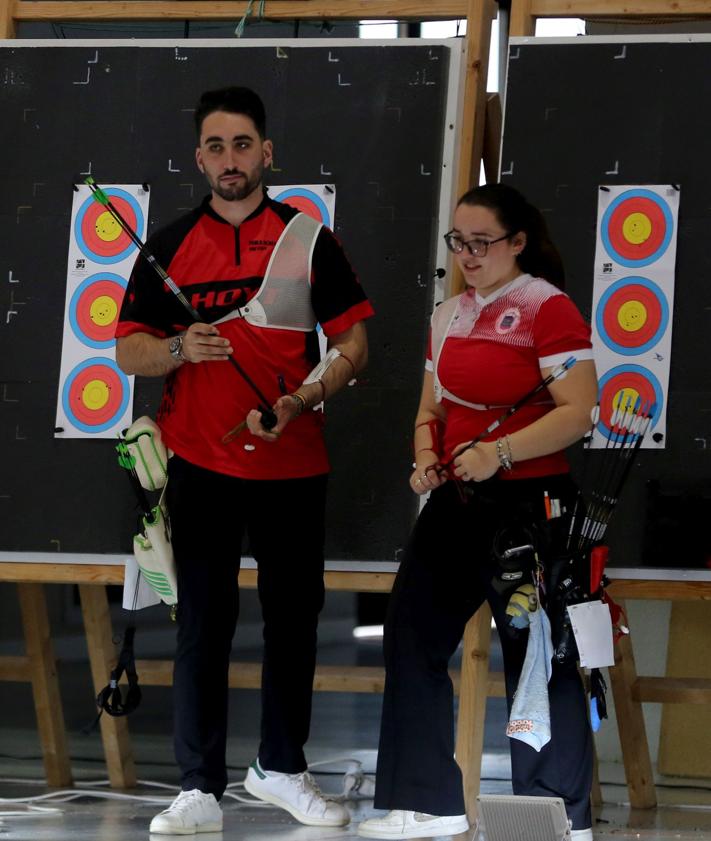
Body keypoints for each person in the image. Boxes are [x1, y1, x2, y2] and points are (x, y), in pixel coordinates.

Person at [114, 86, 374, 835]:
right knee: (204, 623)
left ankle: (282, 769)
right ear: (200, 158)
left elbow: (354, 344)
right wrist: (175, 348)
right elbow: (126, 345)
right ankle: (199, 786)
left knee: (295, 622)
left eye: (243, 144)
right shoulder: (166, 245)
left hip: (292, 462)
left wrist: (302, 397)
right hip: (199, 463)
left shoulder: (308, 238)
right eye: (216, 147)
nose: (230, 159)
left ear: (267, 152)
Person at [357, 183, 598, 841]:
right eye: (456, 241)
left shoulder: (547, 308)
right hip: (456, 498)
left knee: (536, 651)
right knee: (408, 632)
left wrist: (501, 451)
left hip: (529, 506)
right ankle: (427, 802)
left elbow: (579, 411)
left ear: (517, 242)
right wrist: (424, 456)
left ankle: (555, 814)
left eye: (481, 241)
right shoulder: (448, 314)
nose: (467, 253)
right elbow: (430, 409)